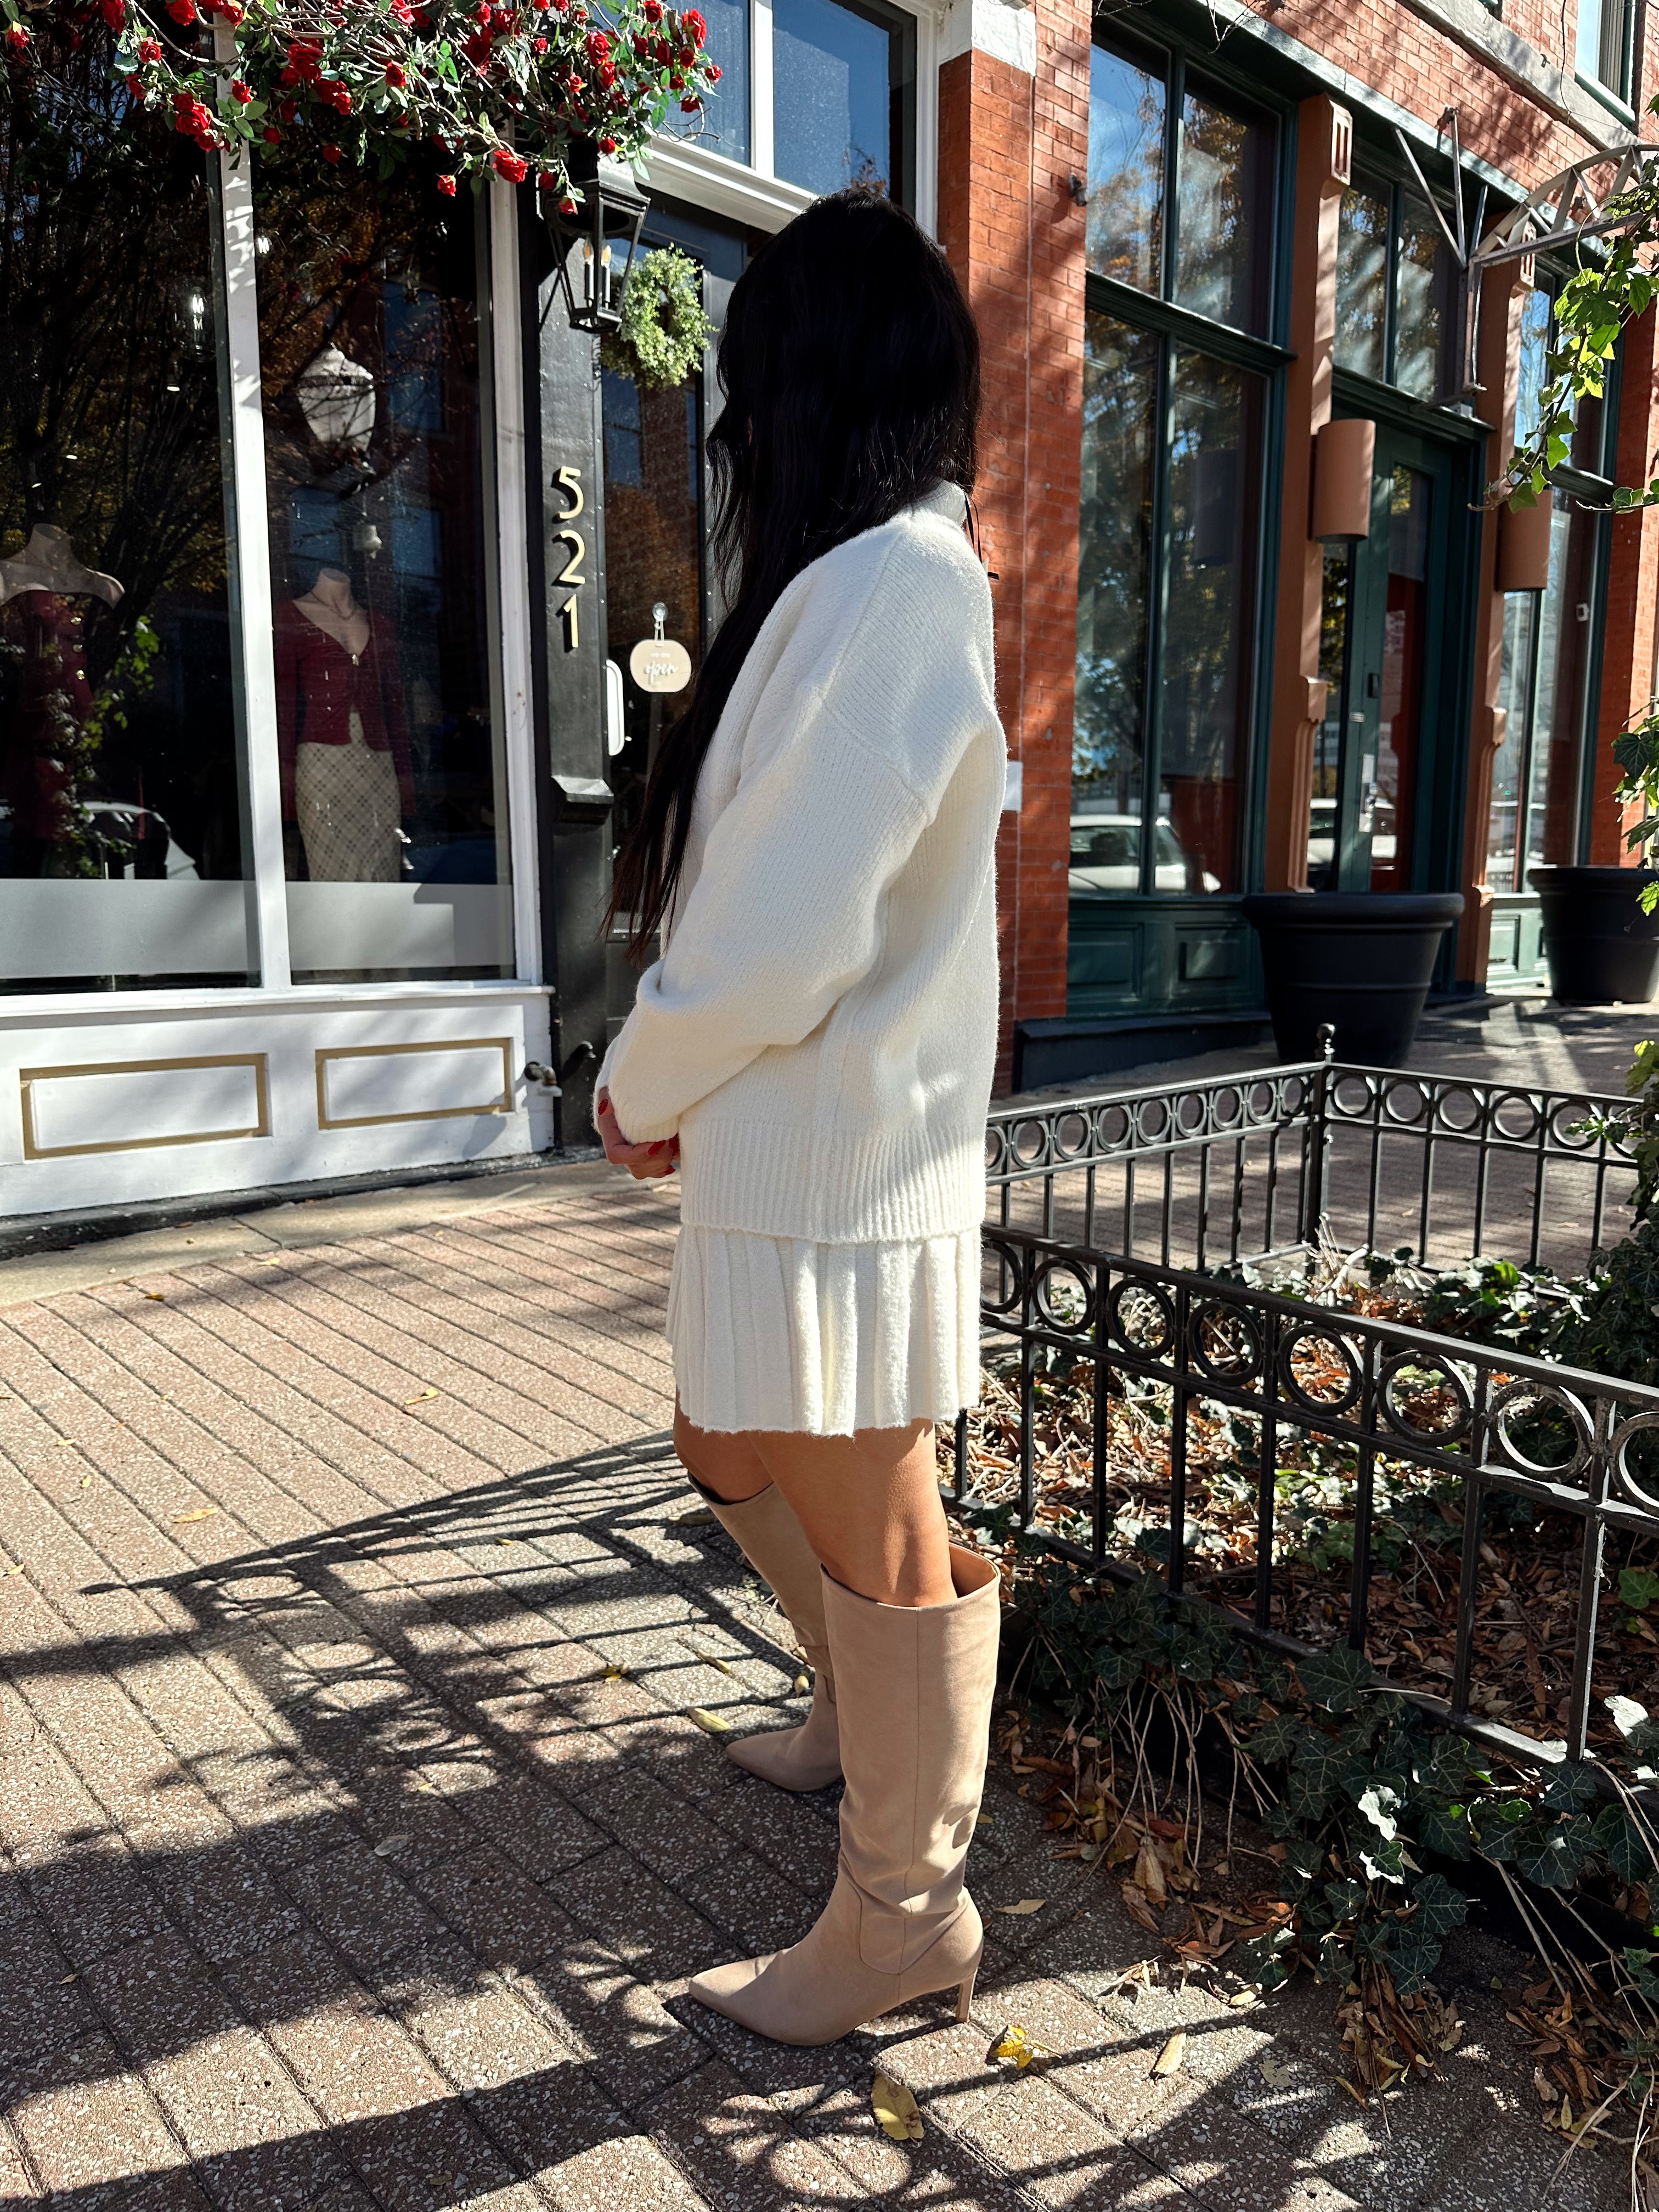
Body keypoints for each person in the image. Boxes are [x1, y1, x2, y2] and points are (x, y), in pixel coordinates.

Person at [594, 187, 1005, 2049]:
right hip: (804, 1146)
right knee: (723, 1435)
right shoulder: (878, 584)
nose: (740, 428)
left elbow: (783, 927)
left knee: (879, 1523)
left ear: (812, 386)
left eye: (754, 387)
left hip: (837, 1157)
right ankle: (856, 1713)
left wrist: (638, 1077)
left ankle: (906, 1909)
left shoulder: (900, 585)